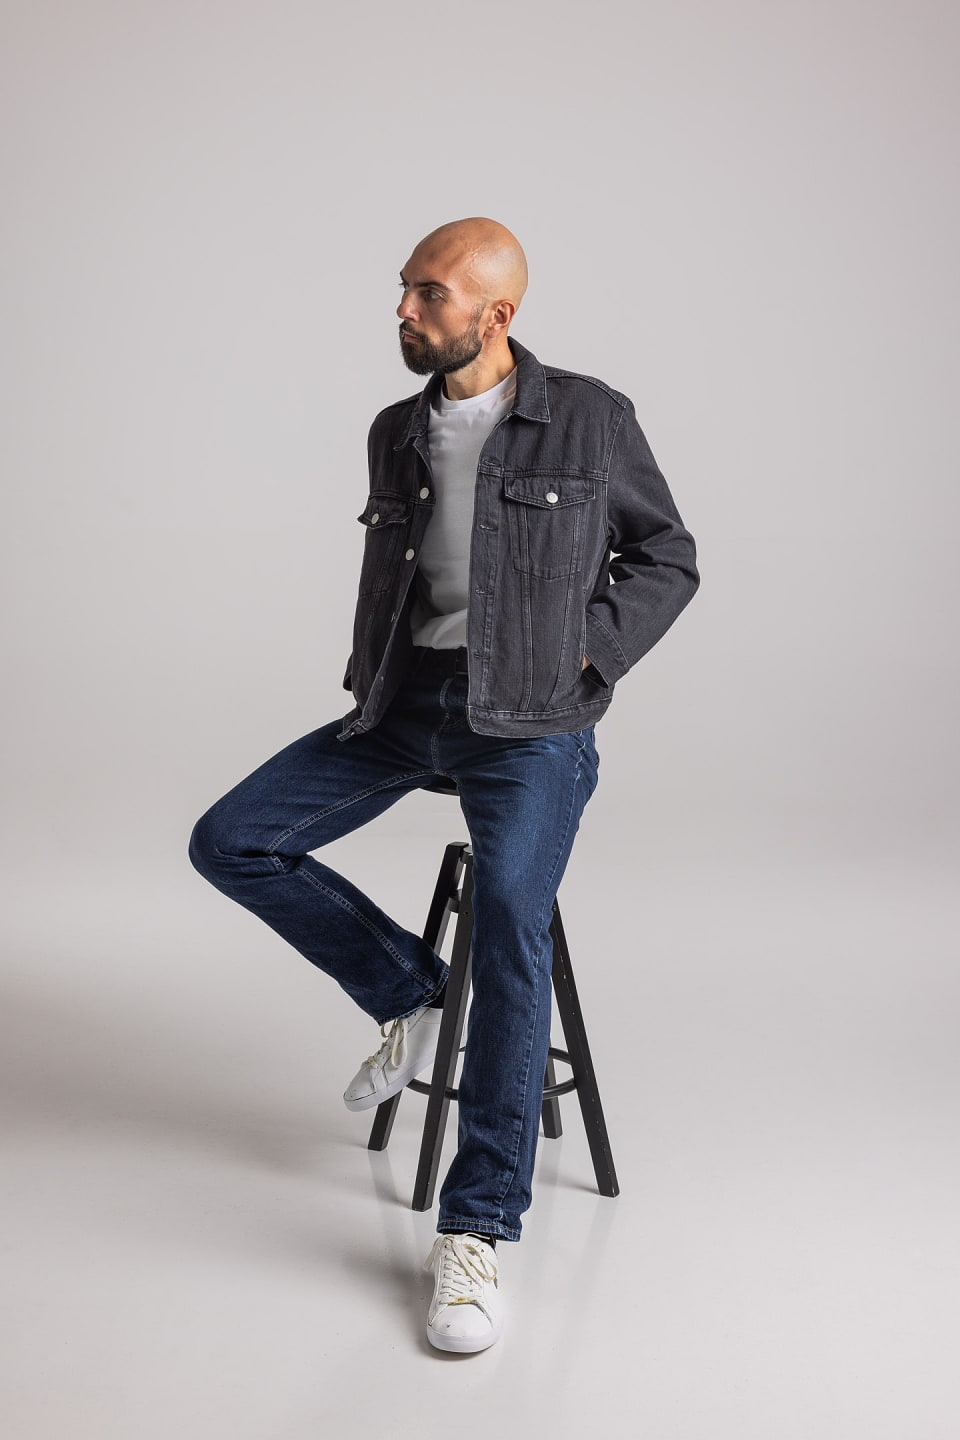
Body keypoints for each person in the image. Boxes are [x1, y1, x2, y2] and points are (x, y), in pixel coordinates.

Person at [189, 217, 699, 1354]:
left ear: (495, 314)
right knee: (232, 840)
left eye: (428, 295)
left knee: (512, 919)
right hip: (406, 702)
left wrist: (589, 653)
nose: (406, 313)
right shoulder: (395, 429)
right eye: (406, 292)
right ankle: (415, 993)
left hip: (530, 727)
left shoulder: (590, 416)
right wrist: (375, 681)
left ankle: (476, 1233)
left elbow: (667, 554)